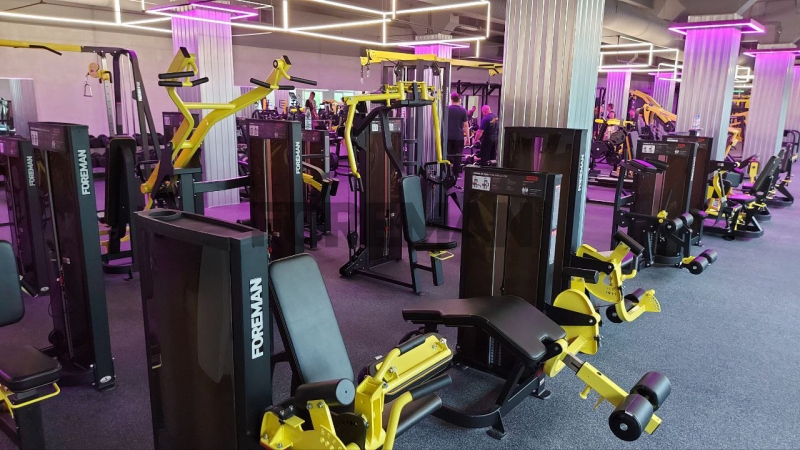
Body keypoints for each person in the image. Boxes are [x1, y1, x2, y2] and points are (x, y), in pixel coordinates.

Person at [446, 93, 469, 178]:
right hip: (459, 137)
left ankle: (447, 174)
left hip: (448, 137)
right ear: (459, 100)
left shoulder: (447, 109)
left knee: (447, 156)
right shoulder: (463, 110)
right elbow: (466, 125)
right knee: (458, 157)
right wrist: (468, 138)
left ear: (451, 99)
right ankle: (455, 175)